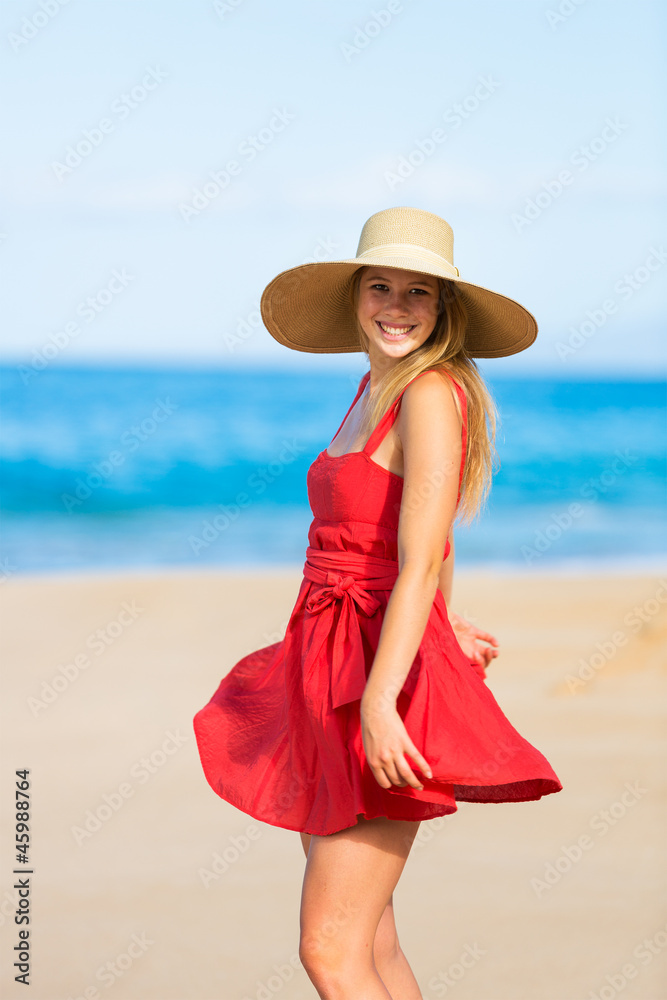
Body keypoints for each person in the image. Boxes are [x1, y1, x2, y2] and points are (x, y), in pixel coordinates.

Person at [193, 206, 563, 999]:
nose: (396, 307)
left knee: (329, 951)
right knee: (375, 942)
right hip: (326, 660)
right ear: (355, 297)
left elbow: (421, 550)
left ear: (444, 309)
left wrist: (383, 701)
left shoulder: (428, 392)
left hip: (373, 676)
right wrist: (445, 621)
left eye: (418, 293)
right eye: (380, 286)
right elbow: (423, 532)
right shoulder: (375, 383)